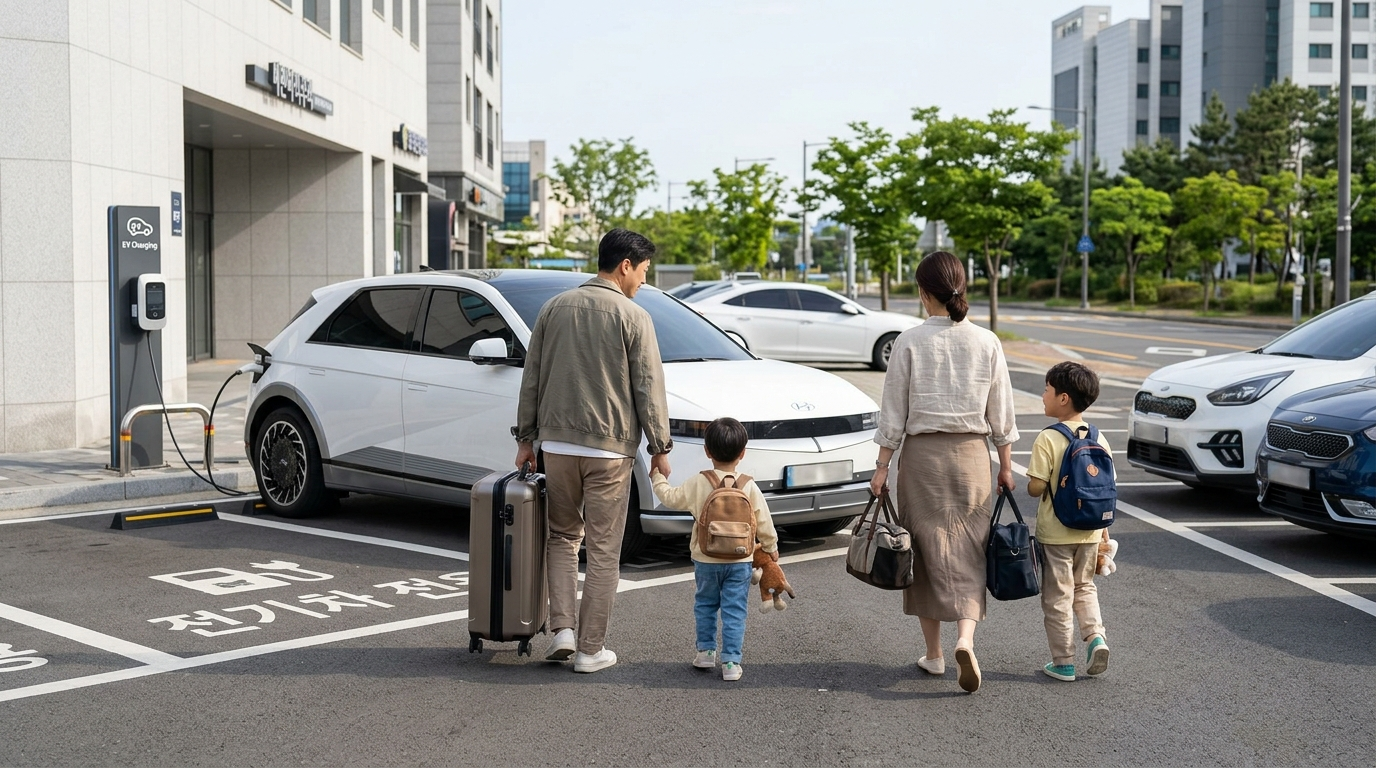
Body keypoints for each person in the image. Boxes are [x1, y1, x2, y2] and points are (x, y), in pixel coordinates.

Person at [513, 228, 673, 674]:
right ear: (625, 265)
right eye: (643, 271)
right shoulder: (633, 316)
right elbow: (648, 386)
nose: (643, 280)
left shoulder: (553, 308)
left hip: (557, 447)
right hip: (609, 451)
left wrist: (526, 440)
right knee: (603, 551)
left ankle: (562, 630)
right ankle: (589, 650)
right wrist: (660, 446)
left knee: (562, 538)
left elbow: (533, 378)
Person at [871, 250, 1018, 694]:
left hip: (922, 460)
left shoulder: (910, 341)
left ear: (922, 293)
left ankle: (935, 655)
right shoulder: (987, 341)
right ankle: (966, 640)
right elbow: (1002, 413)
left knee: (926, 551)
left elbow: (892, 414)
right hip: (973, 456)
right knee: (972, 549)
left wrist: (881, 467)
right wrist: (1007, 466)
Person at [650, 417, 778, 682]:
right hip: (740, 560)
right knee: (734, 610)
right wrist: (770, 548)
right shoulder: (748, 485)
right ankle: (731, 662)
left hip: (705, 559)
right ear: (742, 453)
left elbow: (671, 498)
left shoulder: (700, 482)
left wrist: (657, 477)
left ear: (707, 452)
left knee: (706, 604)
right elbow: (764, 521)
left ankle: (706, 652)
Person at [1025, 361, 1111, 682]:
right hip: (1090, 531)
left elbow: (1035, 488)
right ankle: (1096, 638)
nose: (1043, 395)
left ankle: (1063, 662)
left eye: (1047, 390)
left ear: (1063, 398)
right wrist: (1103, 532)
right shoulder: (1099, 438)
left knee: (1058, 596)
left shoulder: (1048, 438)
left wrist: (1037, 480)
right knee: (1085, 587)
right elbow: (1104, 488)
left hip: (1056, 533)